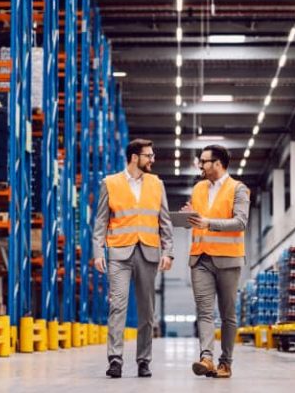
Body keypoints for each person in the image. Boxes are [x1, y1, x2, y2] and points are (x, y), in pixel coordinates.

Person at [93, 138, 174, 378]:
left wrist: (168, 252)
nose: (153, 159)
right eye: (149, 155)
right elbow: (101, 221)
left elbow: (165, 221)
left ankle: (143, 361)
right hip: (119, 252)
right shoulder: (110, 183)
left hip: (148, 252)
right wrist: (98, 252)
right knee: (117, 306)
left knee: (147, 311)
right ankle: (115, 359)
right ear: (135, 158)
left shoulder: (157, 184)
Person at [183, 144, 249, 379]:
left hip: (228, 260)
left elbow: (241, 222)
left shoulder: (238, 189)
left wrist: (208, 223)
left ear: (218, 164)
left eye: (204, 161)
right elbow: (199, 218)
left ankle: (225, 363)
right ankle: (207, 358)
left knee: (228, 314)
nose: (200, 165)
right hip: (200, 257)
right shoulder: (198, 188)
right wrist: (189, 215)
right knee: (204, 311)